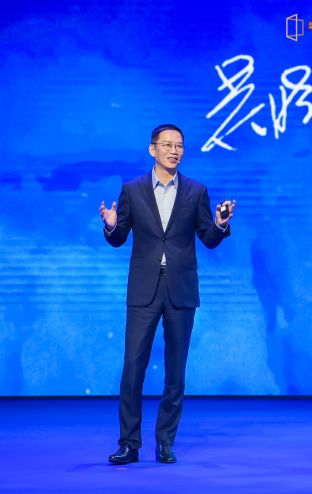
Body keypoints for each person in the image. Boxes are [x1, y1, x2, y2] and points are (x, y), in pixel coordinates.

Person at [99, 123, 235, 464]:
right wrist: (112, 225)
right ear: (153, 149)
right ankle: (129, 443)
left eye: (179, 146)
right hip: (143, 289)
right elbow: (119, 238)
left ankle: (165, 442)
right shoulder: (132, 190)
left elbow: (208, 238)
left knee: (176, 372)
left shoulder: (196, 191)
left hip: (181, 290)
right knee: (133, 367)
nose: (174, 151)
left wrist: (220, 224)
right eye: (167, 145)